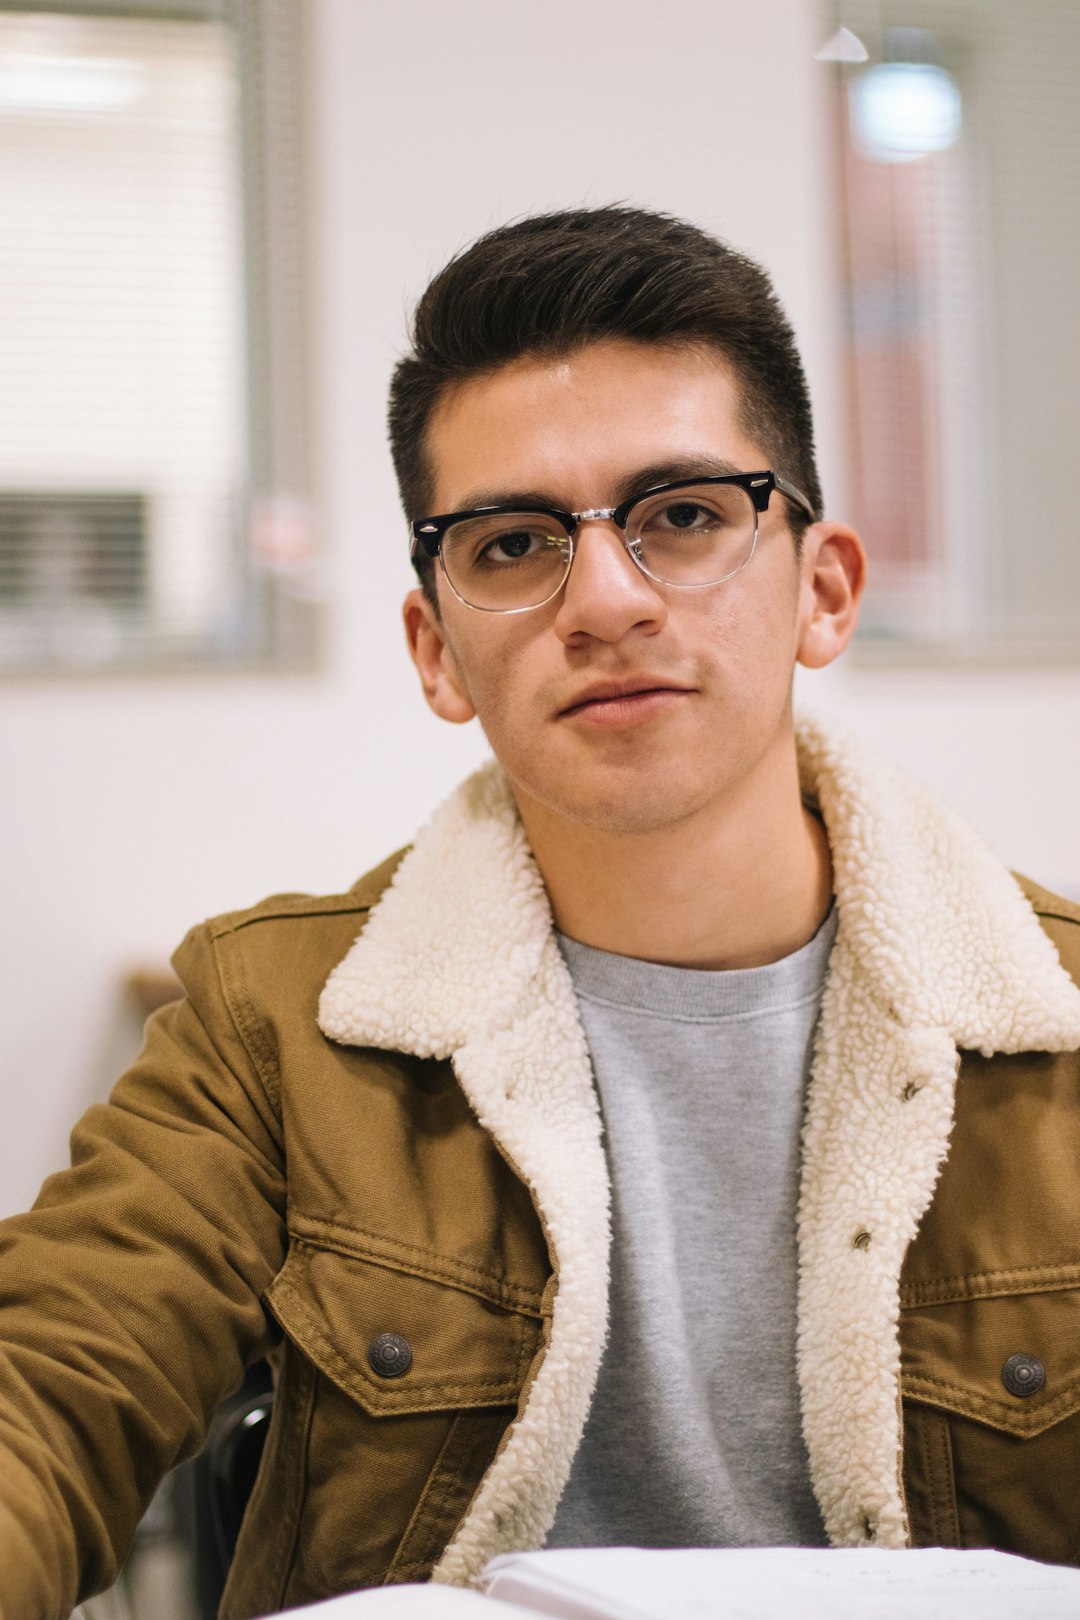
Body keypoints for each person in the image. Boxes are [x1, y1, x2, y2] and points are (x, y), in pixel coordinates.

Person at [2, 207, 1079, 1620]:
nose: (607, 599)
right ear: (435, 649)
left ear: (824, 591)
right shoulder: (273, 1033)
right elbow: (51, 1388)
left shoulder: (1055, 1032)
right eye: (513, 545)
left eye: (684, 517)